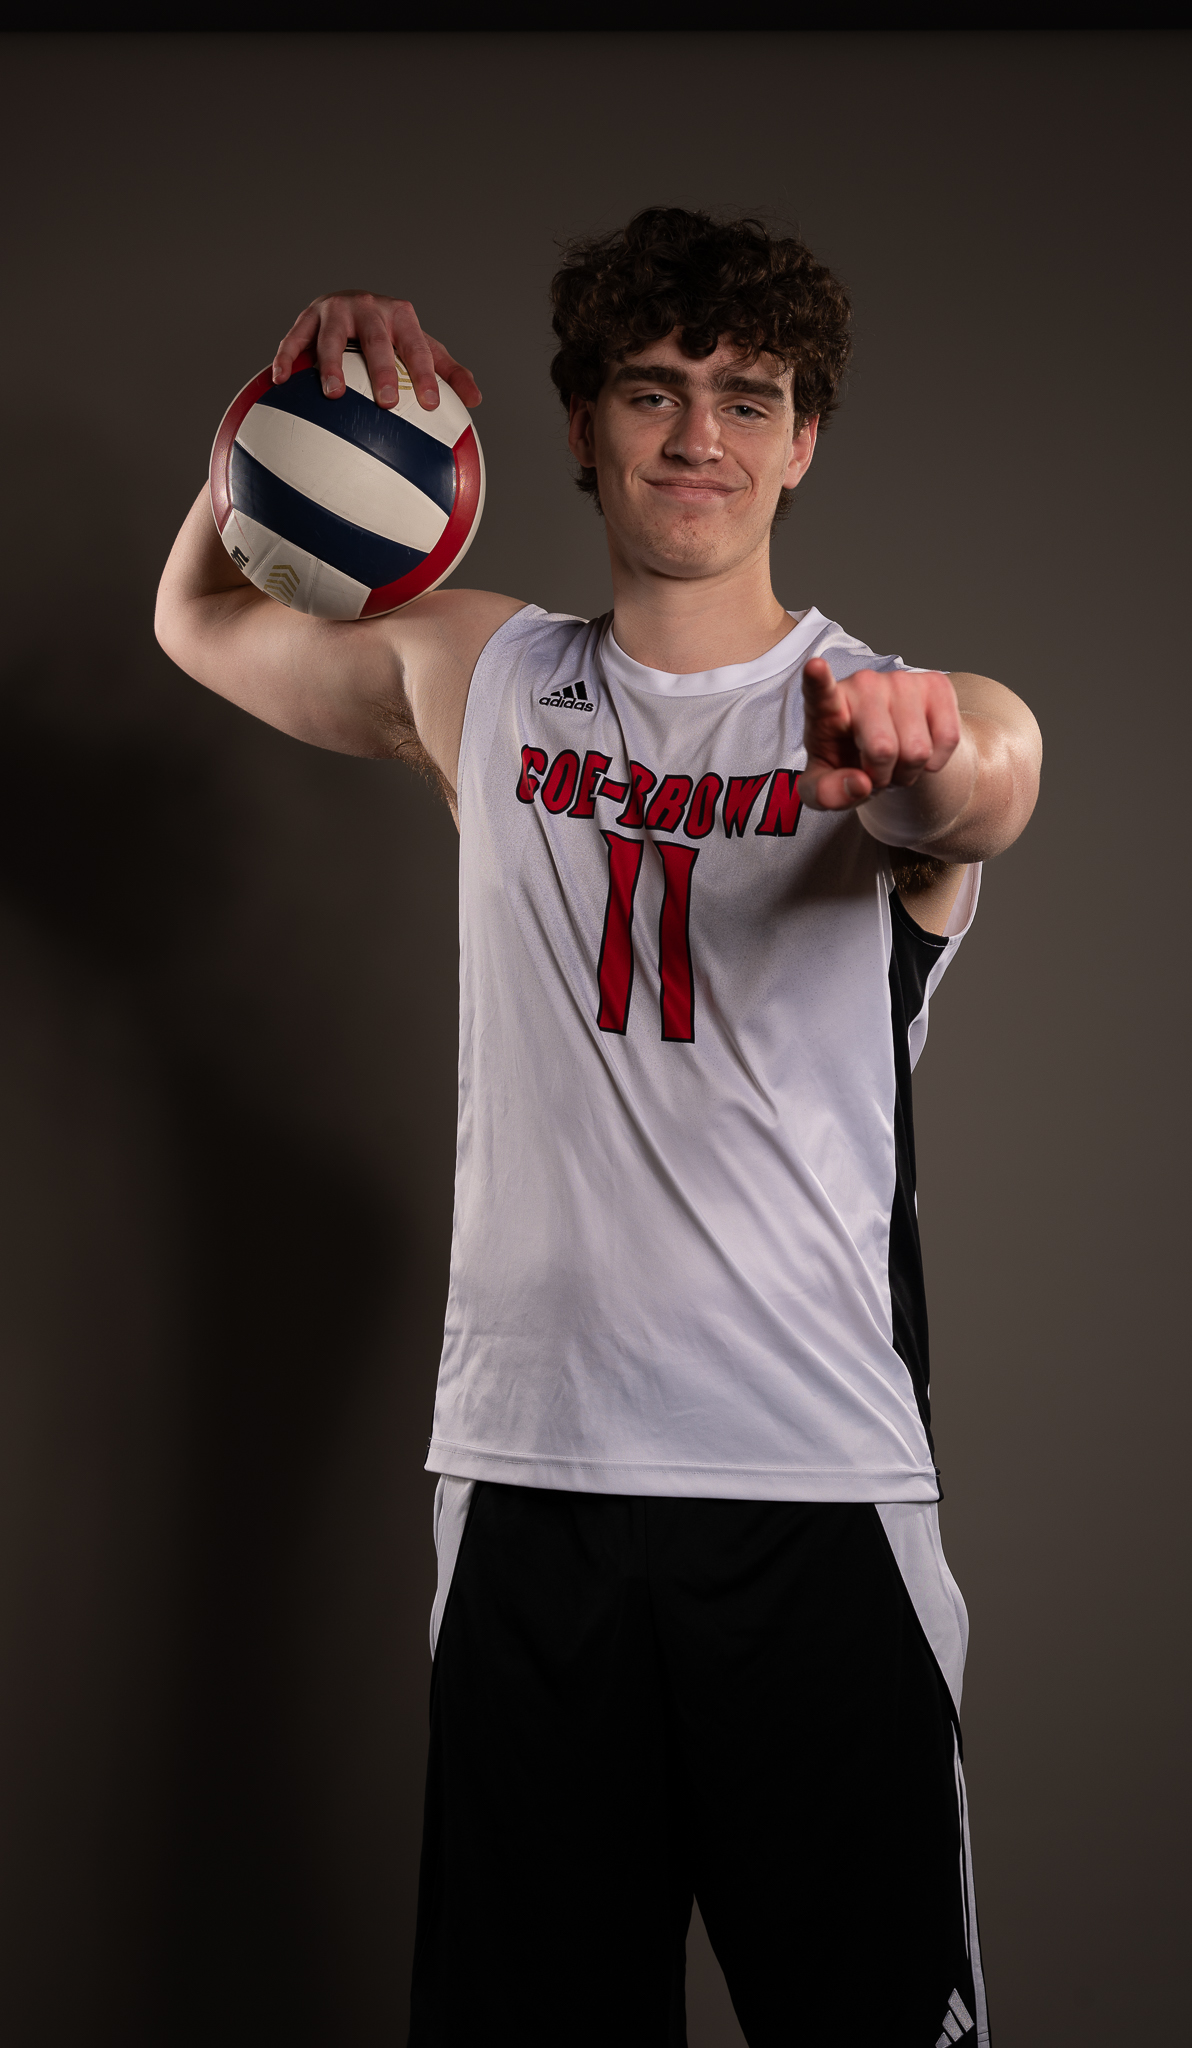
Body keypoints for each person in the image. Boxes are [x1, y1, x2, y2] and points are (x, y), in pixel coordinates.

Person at [155, 207, 1041, 2048]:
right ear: (573, 430)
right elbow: (201, 615)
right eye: (652, 390)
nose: (698, 435)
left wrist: (916, 754)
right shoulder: (477, 675)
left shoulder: (883, 710)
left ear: (804, 441)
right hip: (529, 1486)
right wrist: (281, 414)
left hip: (806, 1492)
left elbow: (981, 788)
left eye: (747, 397)